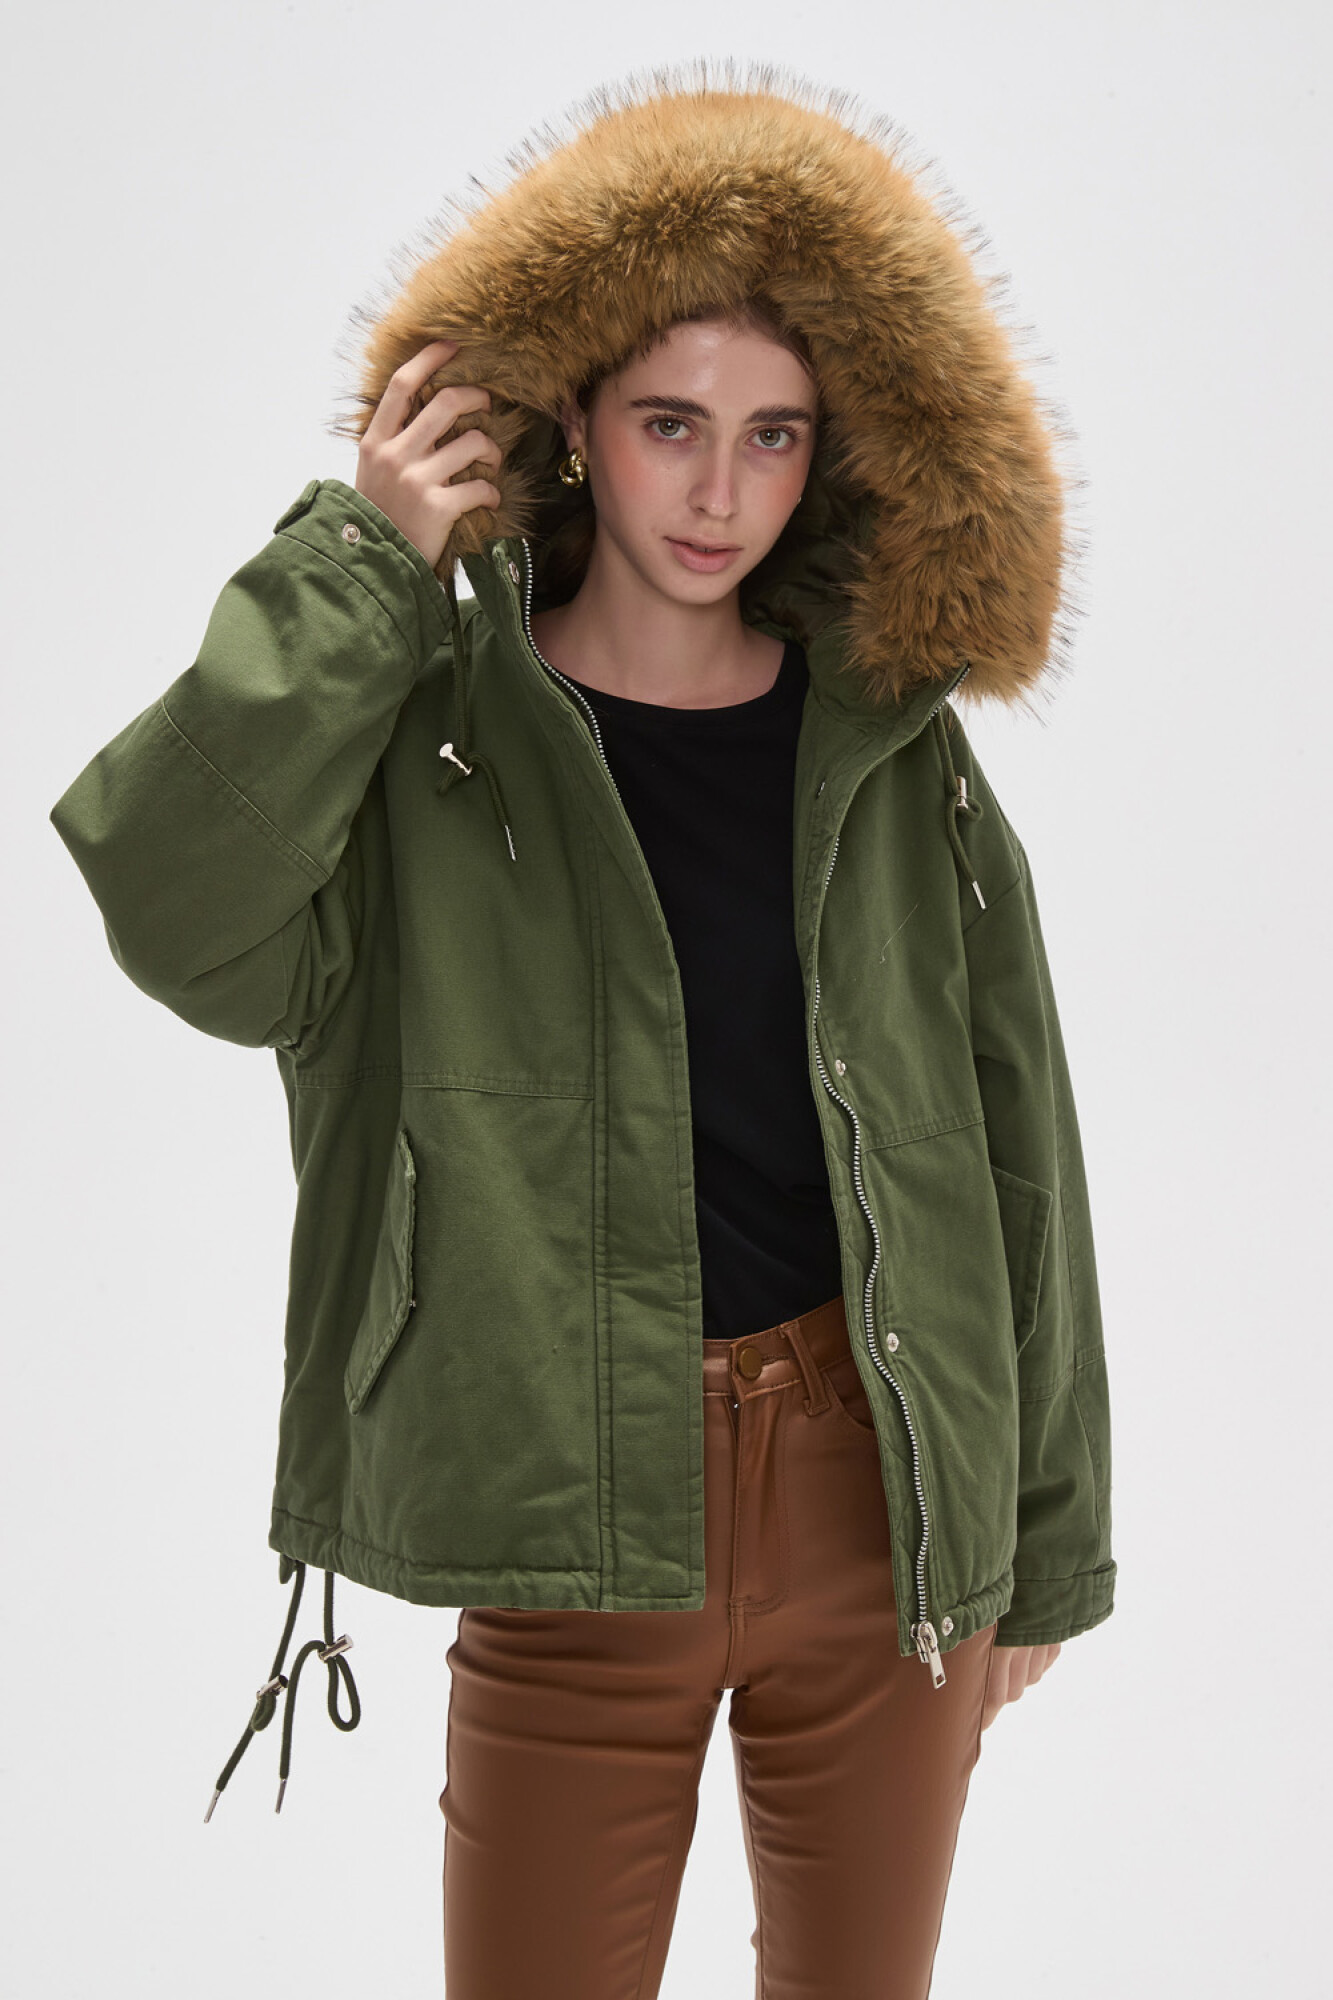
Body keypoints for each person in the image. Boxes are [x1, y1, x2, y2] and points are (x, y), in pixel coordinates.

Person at [48, 64, 1116, 2000]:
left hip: (880, 1510)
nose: (719, 493)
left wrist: (1039, 1537)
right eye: (669, 425)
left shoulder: (887, 748)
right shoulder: (429, 738)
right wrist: (358, 568)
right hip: (569, 1510)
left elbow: (1014, 1136)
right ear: (573, 425)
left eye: (773, 435)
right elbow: (177, 913)